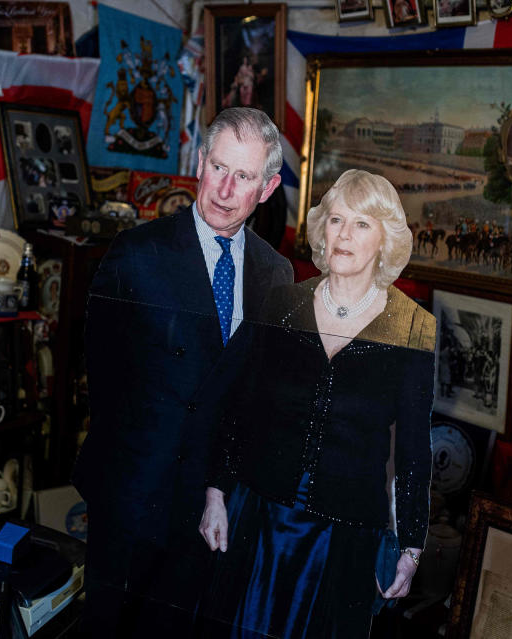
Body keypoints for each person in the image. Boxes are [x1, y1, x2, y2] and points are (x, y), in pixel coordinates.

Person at [73, 107, 294, 636]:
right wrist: (122, 481)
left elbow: (252, 396)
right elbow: (100, 377)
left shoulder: (276, 275)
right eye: (218, 167)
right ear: (199, 162)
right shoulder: (135, 254)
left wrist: (219, 486)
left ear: (267, 189)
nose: (223, 188)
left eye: (242, 176)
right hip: (131, 494)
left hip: (211, 504)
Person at [199, 169, 436, 638]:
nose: (344, 235)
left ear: (385, 242)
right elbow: (238, 408)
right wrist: (215, 493)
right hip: (261, 521)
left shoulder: (413, 328)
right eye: (336, 220)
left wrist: (411, 547)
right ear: (321, 229)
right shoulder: (281, 304)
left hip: (345, 536)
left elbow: (413, 449)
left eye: (362, 224)